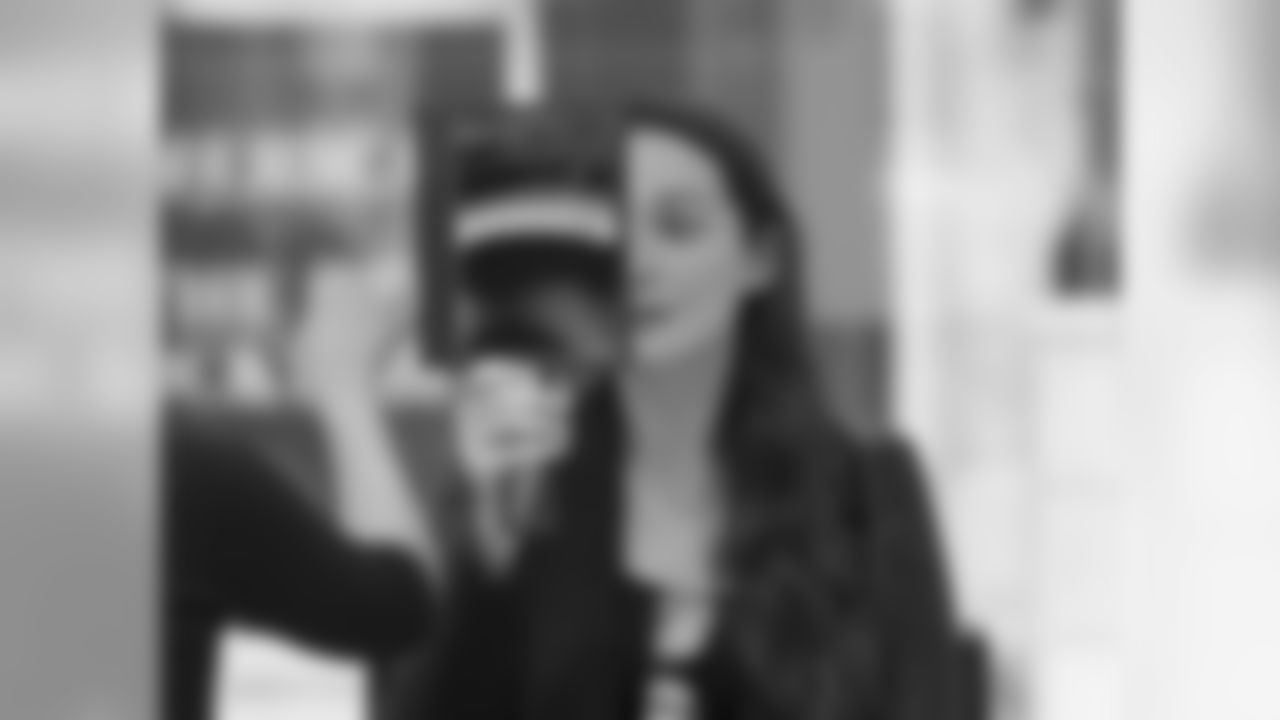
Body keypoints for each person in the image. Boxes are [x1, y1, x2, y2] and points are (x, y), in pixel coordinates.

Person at [309, 104, 964, 720]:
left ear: (758, 258)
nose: (639, 265)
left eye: (677, 228)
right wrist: (487, 555)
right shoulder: (527, 488)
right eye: (611, 236)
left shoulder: (870, 493)